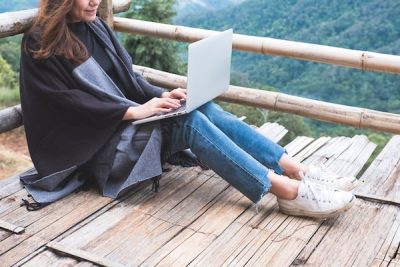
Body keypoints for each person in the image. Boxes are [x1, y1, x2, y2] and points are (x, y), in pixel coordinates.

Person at [19, 0, 358, 218]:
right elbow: (62, 103)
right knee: (190, 123)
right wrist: (130, 112)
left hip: (119, 125)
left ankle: (298, 170)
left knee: (197, 106)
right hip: (97, 147)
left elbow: (128, 80)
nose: (95, 1)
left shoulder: (95, 27)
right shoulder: (39, 40)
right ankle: (288, 192)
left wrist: (164, 96)